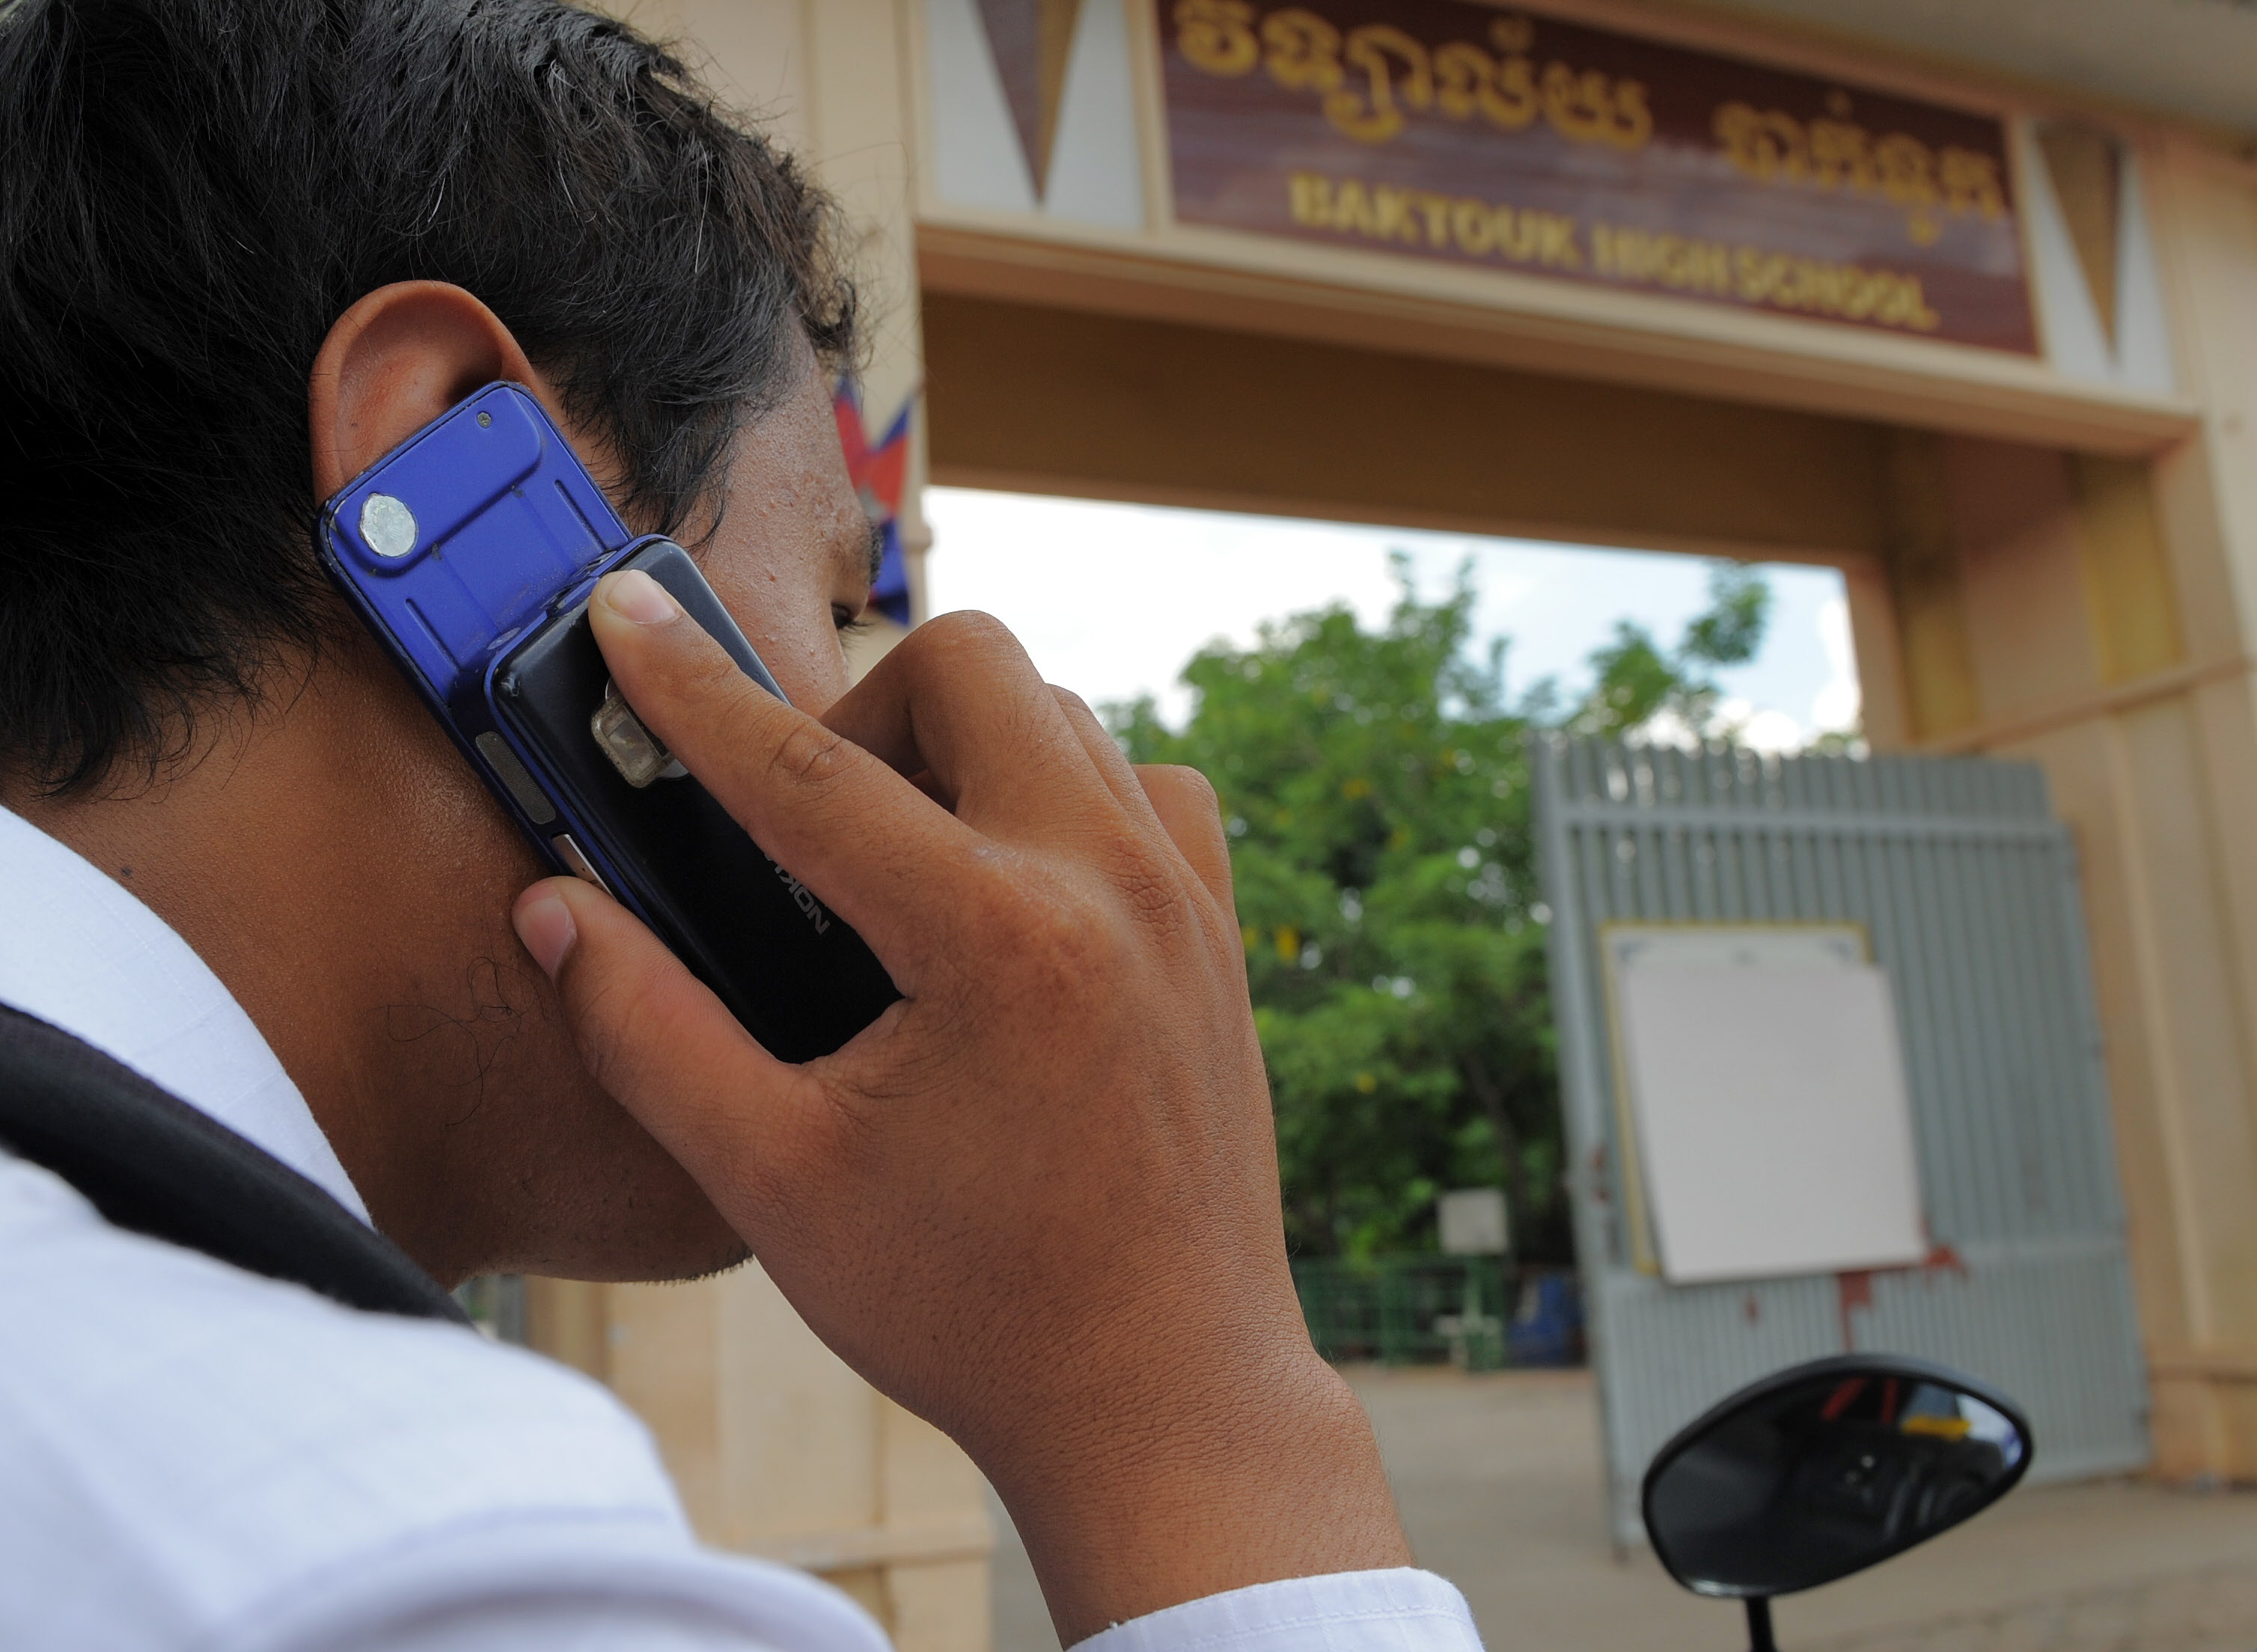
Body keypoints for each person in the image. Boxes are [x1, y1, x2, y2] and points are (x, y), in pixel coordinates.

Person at [0, 1, 1484, 1648]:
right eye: (841, 600)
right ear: (458, 488)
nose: (882, 730)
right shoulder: (392, 1554)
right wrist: (1199, 1405)